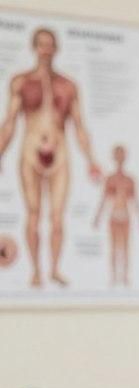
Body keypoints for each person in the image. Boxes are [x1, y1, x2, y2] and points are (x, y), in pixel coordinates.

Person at [0, 27, 103, 288]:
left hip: (60, 153)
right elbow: (10, 123)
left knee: (57, 216)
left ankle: (55, 269)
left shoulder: (68, 86)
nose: (45, 50)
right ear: (34, 48)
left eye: (50, 45)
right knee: (33, 212)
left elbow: (79, 125)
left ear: (56, 49)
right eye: (41, 45)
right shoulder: (21, 82)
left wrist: (91, 159)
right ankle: (36, 270)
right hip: (30, 150)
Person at [93, 144, 139, 286]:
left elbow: (135, 201)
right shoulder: (110, 179)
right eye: (117, 155)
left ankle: (125, 277)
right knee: (114, 248)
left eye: (122, 155)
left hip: (126, 217)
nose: (120, 158)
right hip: (114, 216)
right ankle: (113, 277)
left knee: (126, 248)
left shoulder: (130, 180)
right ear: (114, 158)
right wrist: (97, 217)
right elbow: (104, 199)